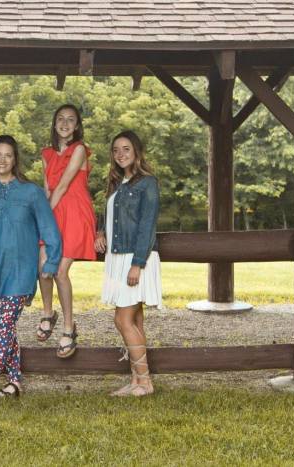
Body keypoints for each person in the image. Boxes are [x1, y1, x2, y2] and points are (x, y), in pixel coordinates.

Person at [0, 135, 62, 402]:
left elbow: (49, 228)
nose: (2, 159)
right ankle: (15, 381)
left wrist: (52, 261)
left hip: (21, 269)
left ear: (15, 159)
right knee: (5, 328)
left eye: (8, 155)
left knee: (6, 324)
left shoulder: (30, 192)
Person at [94, 130, 162, 397]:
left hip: (135, 259)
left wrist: (137, 263)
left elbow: (147, 225)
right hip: (117, 257)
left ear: (137, 152)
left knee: (123, 319)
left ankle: (145, 381)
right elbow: (109, 215)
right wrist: (100, 231)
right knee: (134, 320)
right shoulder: (116, 183)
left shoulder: (148, 183)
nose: (120, 154)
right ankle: (137, 380)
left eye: (126, 149)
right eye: (115, 150)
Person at [36, 104, 97, 358]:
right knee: (43, 269)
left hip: (74, 213)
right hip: (53, 210)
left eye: (71, 120)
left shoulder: (79, 150)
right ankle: (48, 312)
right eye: (60, 119)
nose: (65, 123)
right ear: (54, 123)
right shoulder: (46, 153)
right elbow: (48, 188)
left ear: (77, 125)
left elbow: (62, 187)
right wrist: (43, 215)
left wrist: (44, 216)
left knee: (60, 271)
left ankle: (69, 328)